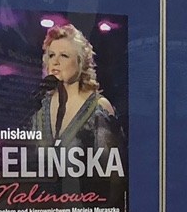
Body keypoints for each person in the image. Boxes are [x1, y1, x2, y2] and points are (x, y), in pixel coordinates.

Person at [33, 20, 121, 153]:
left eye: (64, 55)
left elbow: (110, 164)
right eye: (51, 55)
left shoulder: (98, 107)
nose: (55, 61)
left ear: (80, 62)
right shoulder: (40, 107)